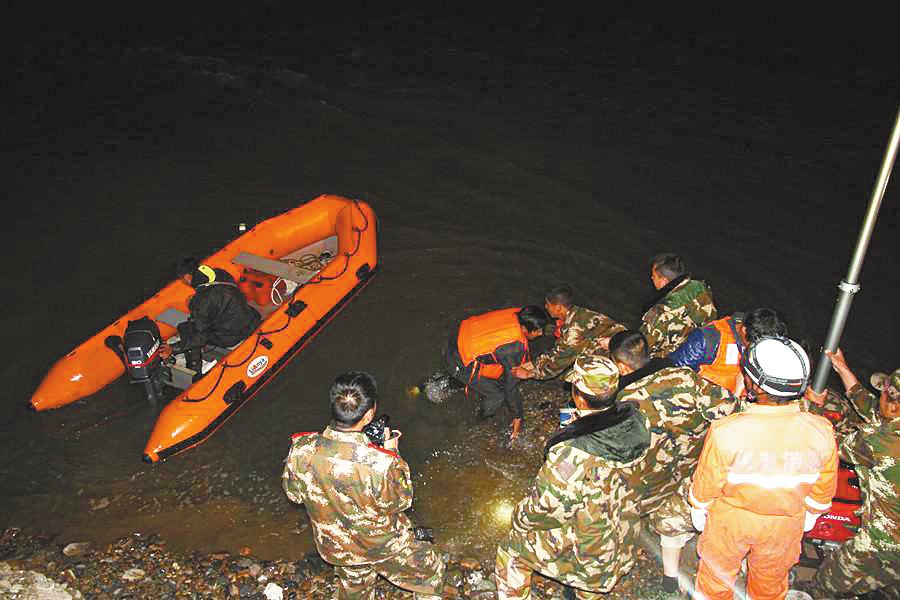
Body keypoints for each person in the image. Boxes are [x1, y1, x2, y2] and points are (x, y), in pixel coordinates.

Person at [689, 337, 838, 600]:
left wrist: (699, 508)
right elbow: (823, 490)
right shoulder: (821, 431)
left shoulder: (727, 431)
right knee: (770, 584)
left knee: (715, 580)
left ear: (755, 384)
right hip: (784, 525)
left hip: (730, 521)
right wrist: (812, 514)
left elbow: (706, 484)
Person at [495, 355, 650, 599]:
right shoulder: (638, 419)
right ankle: (587, 594)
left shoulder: (571, 455)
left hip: (592, 555)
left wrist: (518, 517)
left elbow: (543, 511)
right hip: (625, 534)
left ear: (579, 397)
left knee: (510, 551)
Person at [281, 371, 445, 600]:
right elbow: (400, 501)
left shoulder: (301, 449)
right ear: (368, 415)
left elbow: (294, 495)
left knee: (354, 589)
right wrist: (392, 452)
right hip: (383, 545)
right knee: (431, 573)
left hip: (337, 547)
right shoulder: (380, 463)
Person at [609, 330, 738, 596]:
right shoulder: (685, 376)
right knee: (674, 517)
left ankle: (627, 562)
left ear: (622, 367)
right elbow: (729, 410)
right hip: (695, 470)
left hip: (651, 481)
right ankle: (673, 576)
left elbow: (620, 451)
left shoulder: (625, 399)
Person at [805, 350, 899, 599]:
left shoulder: (881, 441)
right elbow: (872, 409)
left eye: (883, 393)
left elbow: (826, 443)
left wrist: (812, 407)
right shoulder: (891, 424)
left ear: (893, 405)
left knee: (826, 583)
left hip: (884, 544)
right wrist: (842, 367)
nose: (878, 397)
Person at [447, 305, 550, 439]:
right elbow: (510, 386)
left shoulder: (518, 313)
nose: (541, 334)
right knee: (497, 395)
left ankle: (446, 384)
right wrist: (518, 415)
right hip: (458, 360)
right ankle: (480, 421)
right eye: (537, 331)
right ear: (524, 328)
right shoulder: (513, 348)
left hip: (457, 339)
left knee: (495, 373)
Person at [159, 259, 261, 370]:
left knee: (186, 328)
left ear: (187, 277)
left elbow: (201, 337)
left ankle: (195, 369)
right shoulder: (220, 274)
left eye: (182, 279)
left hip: (232, 337)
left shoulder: (201, 302)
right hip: (250, 321)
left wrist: (173, 348)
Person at [513, 286, 625, 382]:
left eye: (548, 304)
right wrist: (535, 362)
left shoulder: (573, 332)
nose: (546, 307)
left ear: (558, 308)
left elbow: (558, 363)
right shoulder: (578, 313)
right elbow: (560, 336)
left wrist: (529, 374)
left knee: (575, 375)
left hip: (621, 358)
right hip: (623, 341)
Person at [669, 307, 788, 393]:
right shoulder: (708, 339)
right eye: (753, 345)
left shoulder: (772, 344)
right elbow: (674, 374)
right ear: (744, 330)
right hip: (708, 404)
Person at [639, 253, 717, 358]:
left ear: (664, 281)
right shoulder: (700, 287)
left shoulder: (662, 310)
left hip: (672, 359)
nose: (652, 277)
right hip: (702, 347)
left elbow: (641, 349)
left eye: (654, 276)